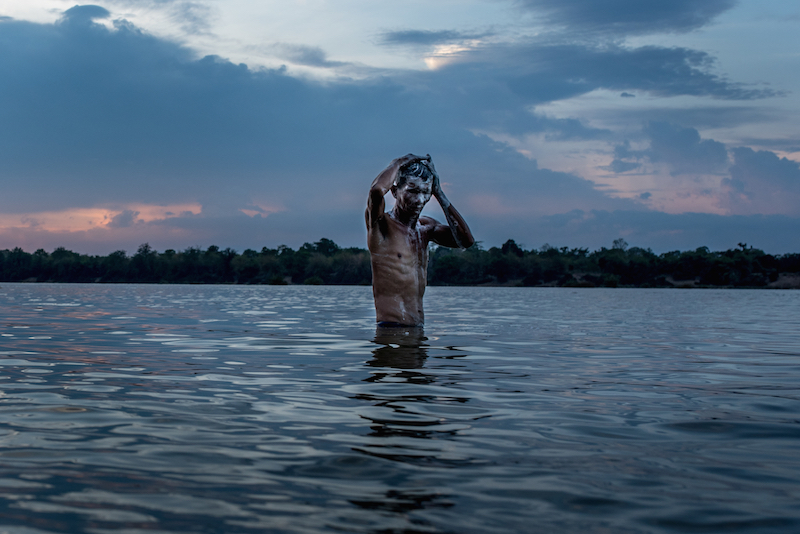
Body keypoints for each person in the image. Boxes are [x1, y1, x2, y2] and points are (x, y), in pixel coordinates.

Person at [366, 153, 474, 326]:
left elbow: (465, 241)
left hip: (417, 330)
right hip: (391, 329)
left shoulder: (425, 228)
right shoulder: (382, 224)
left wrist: (439, 192)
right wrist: (398, 162)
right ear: (395, 191)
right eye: (412, 191)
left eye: (425, 192)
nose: (419, 199)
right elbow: (376, 191)